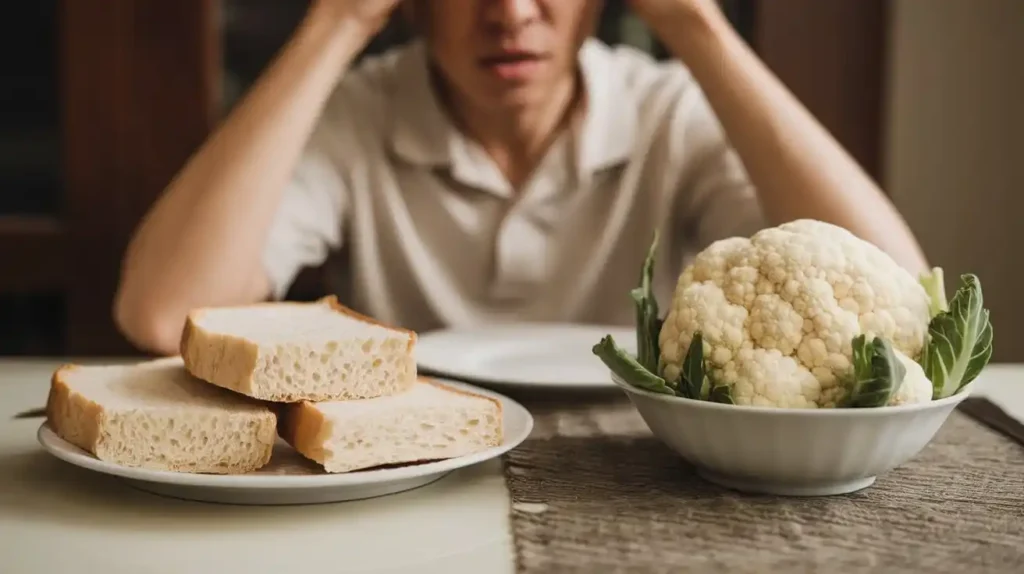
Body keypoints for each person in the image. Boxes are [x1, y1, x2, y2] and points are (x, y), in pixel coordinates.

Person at [113, 0, 929, 356]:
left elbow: (896, 292)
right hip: (411, 468)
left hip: (639, 472)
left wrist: (696, 24)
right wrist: (338, 21)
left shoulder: (663, 110)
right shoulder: (360, 113)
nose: (510, 11)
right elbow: (160, 314)